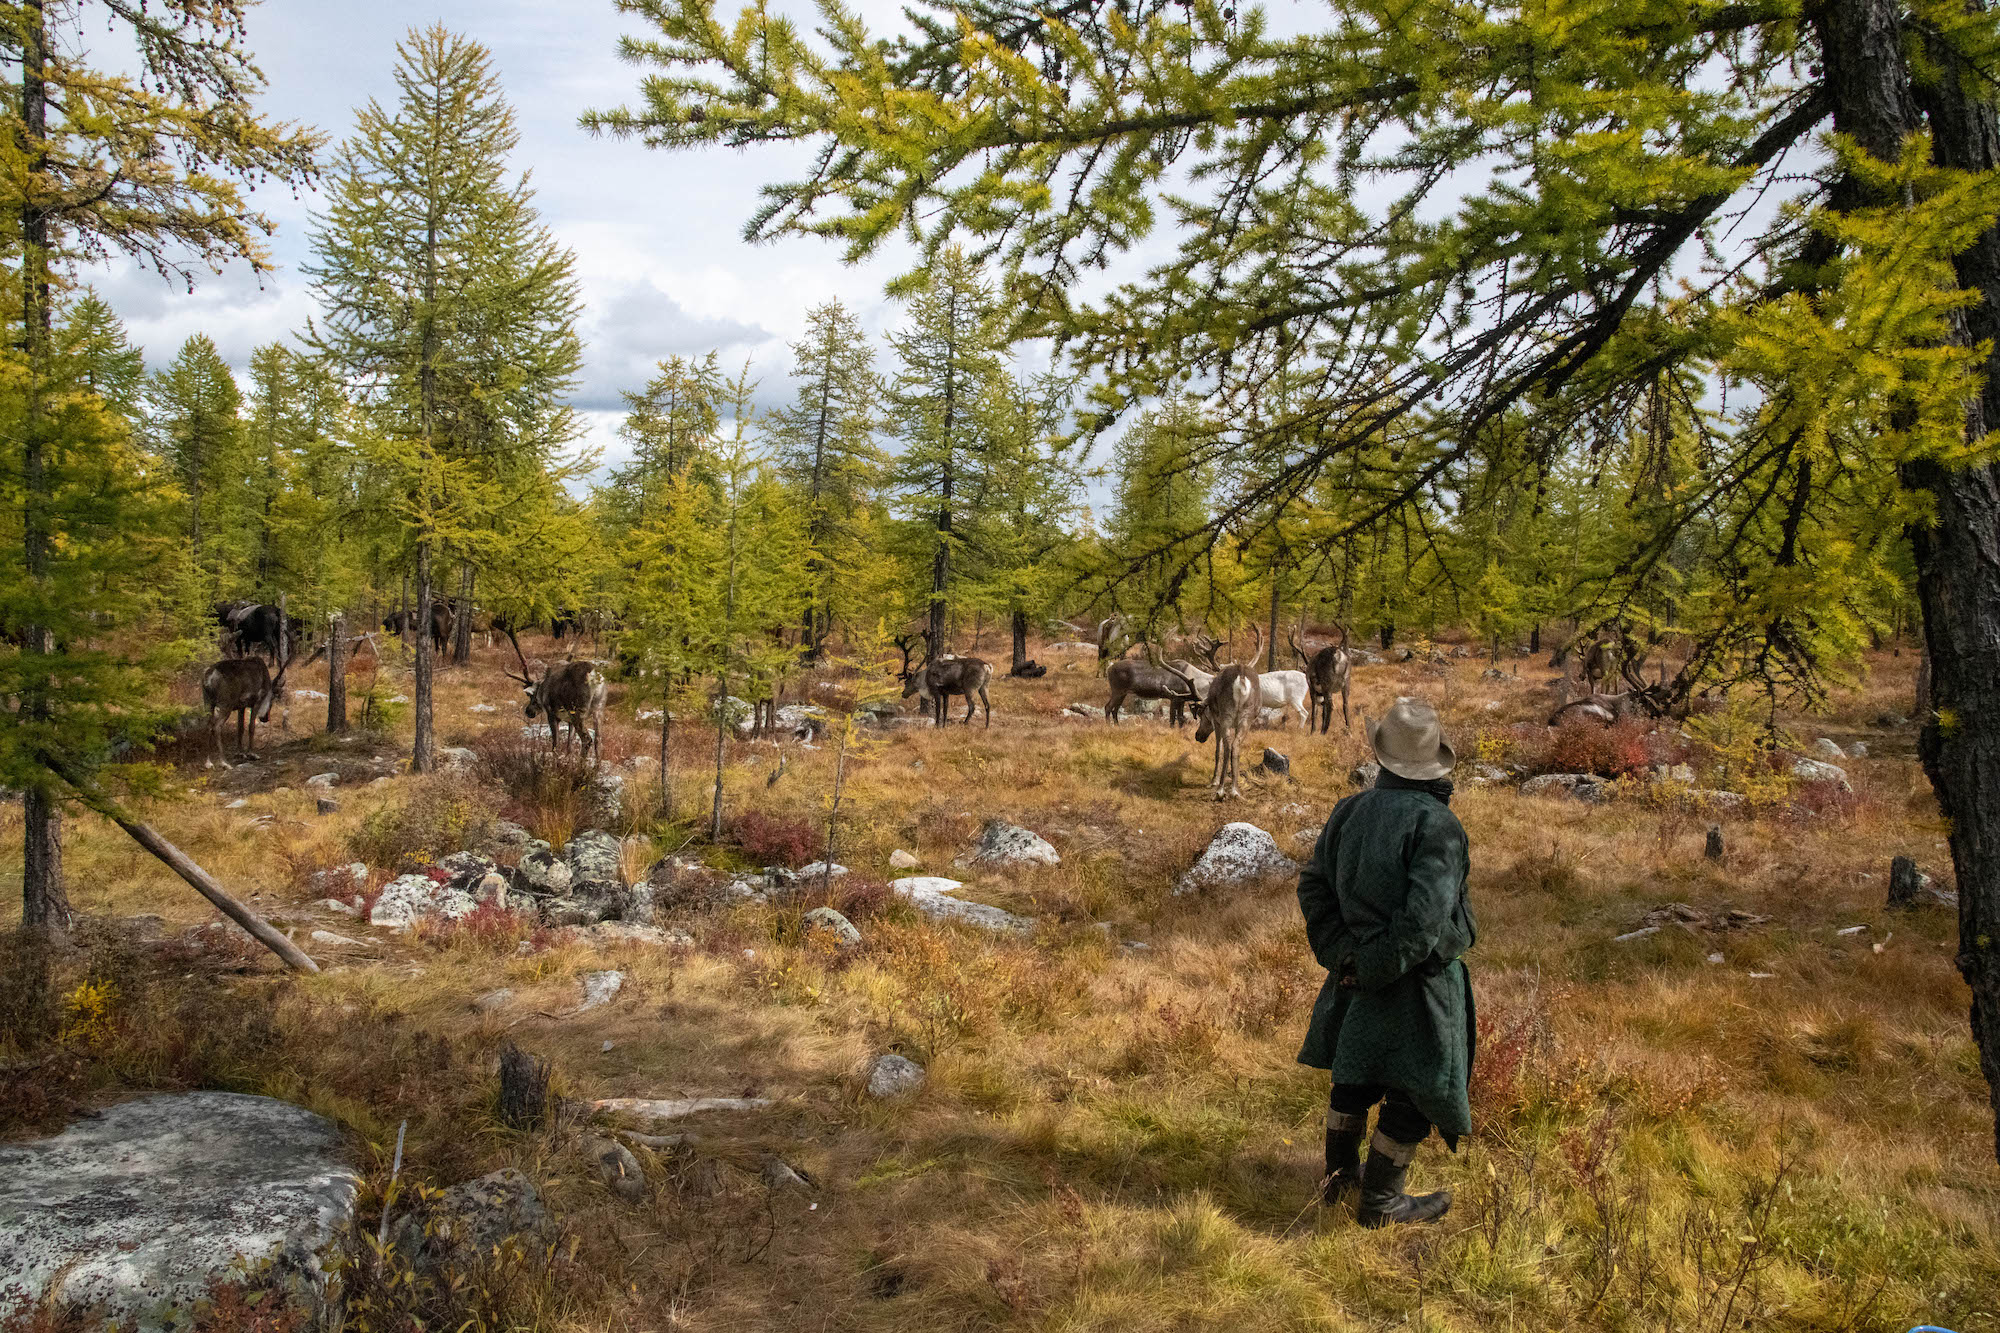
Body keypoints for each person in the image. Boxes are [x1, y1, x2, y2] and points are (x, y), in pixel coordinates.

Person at [1295, 696, 1476, 1227]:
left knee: (1355, 1073)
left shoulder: (1349, 810)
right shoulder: (1437, 824)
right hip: (1415, 981)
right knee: (1417, 1087)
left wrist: (1345, 956)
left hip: (1354, 973)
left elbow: (1314, 887)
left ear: (1382, 758)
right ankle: (1379, 1202)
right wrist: (1370, 965)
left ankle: (1339, 1180)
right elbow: (1423, 925)